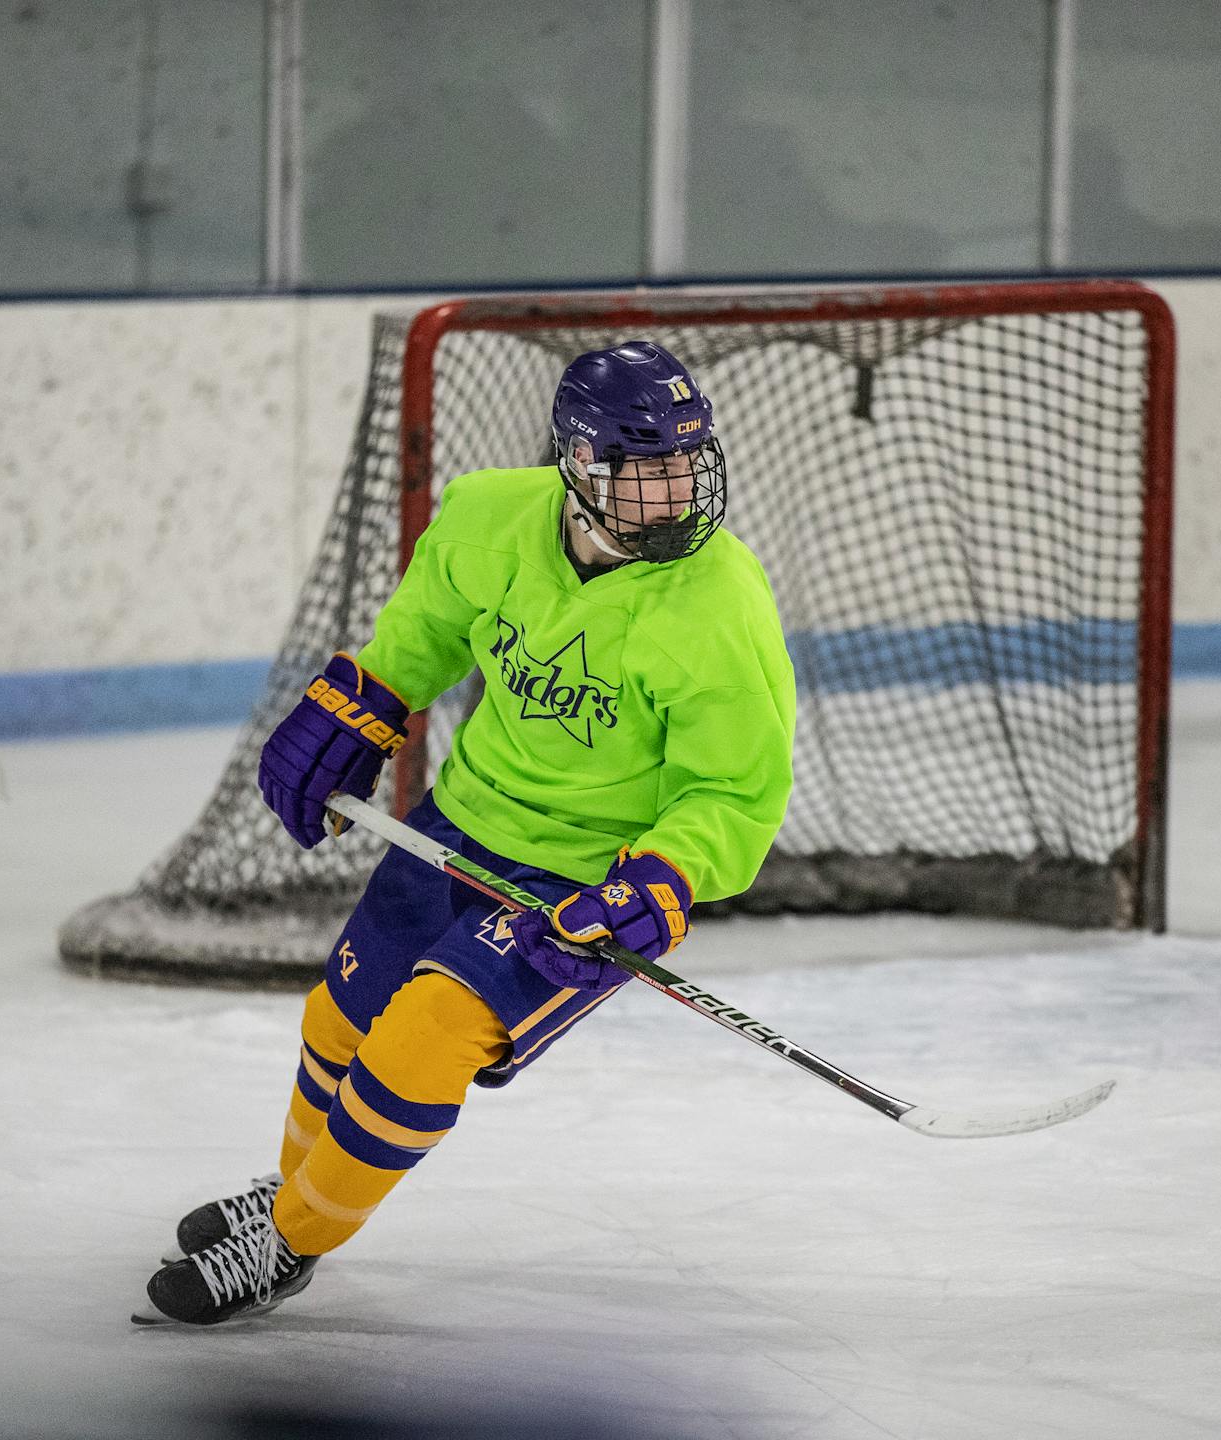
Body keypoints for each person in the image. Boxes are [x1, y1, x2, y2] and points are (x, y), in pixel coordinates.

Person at [141, 341, 796, 1325]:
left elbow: (734, 795)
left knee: (419, 1044)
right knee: (340, 1020)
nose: (675, 496)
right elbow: (423, 635)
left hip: (573, 890)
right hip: (459, 825)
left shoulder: (722, 604)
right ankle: (294, 1198)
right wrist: (360, 701)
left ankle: (289, 1241)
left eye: (684, 469)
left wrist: (660, 880)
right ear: (579, 464)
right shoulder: (490, 517)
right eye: (646, 471)